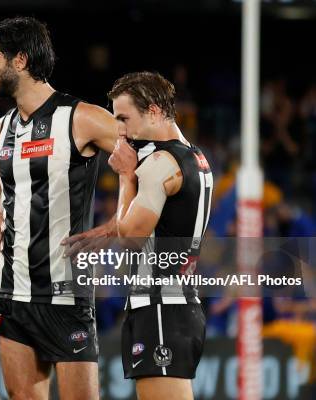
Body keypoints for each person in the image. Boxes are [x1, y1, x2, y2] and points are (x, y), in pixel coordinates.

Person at [0, 16, 118, 400]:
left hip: (67, 295)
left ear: (20, 60)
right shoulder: (2, 127)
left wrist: (118, 224)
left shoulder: (82, 118)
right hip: (13, 294)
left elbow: (144, 161)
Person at [106, 71, 212, 399]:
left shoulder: (161, 162)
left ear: (153, 111)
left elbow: (129, 238)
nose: (120, 130)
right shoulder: (194, 156)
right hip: (175, 302)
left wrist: (126, 176)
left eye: (124, 118)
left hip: (161, 306)